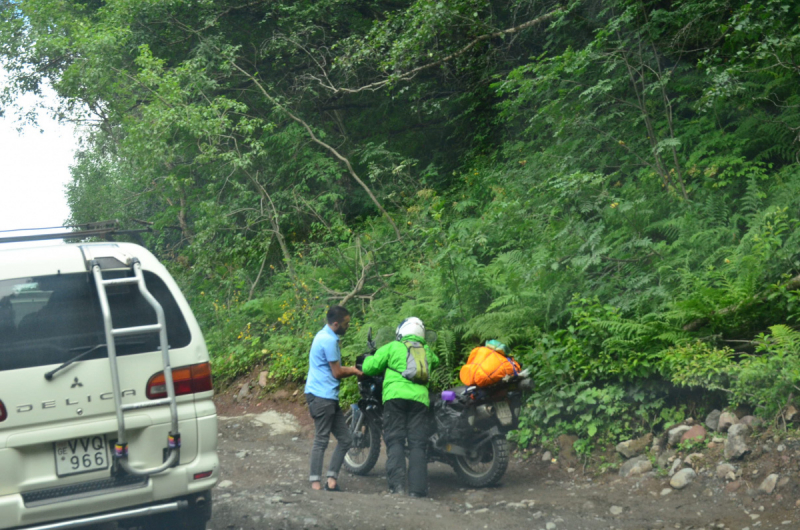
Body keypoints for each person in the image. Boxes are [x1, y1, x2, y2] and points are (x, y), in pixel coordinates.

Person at [361, 317, 439, 497]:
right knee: (417, 444)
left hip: (395, 398)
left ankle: (397, 487)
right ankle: (417, 491)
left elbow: (370, 367)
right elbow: (434, 363)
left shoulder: (393, 347)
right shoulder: (426, 350)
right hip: (420, 400)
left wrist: (369, 360)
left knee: (395, 439)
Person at [304, 305, 362, 491]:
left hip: (326, 396)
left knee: (345, 439)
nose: (348, 326)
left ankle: (331, 480)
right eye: (346, 324)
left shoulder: (322, 335)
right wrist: (354, 370)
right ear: (336, 324)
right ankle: (315, 484)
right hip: (321, 397)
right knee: (321, 440)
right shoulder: (328, 341)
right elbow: (337, 372)